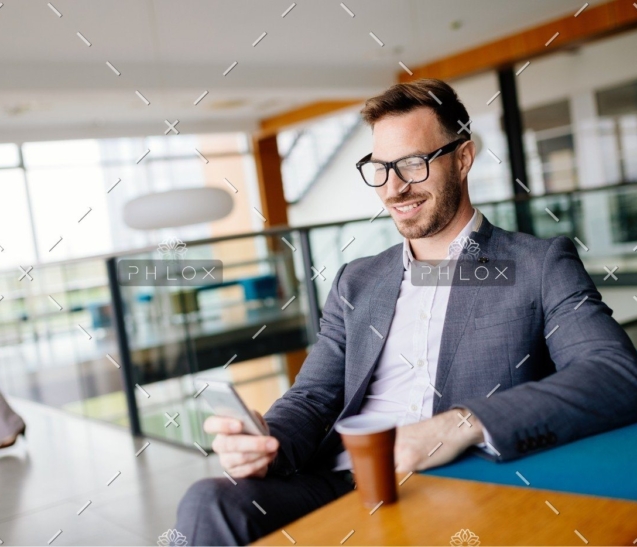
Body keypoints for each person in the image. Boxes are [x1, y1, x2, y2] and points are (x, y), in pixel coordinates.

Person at [175, 78, 637, 545]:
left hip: (457, 483)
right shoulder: (357, 280)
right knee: (209, 501)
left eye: (413, 164)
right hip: (341, 480)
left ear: (462, 158)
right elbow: (314, 397)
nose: (395, 188)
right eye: (380, 168)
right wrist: (266, 439)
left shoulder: (535, 265)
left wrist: (456, 426)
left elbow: (615, 374)